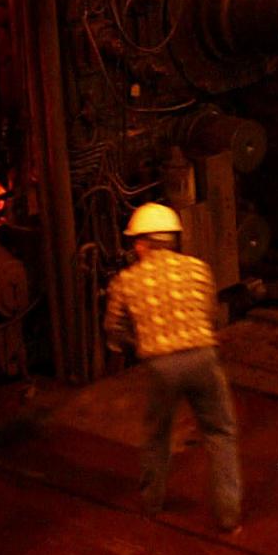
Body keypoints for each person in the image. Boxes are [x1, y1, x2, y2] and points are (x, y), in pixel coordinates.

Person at [103, 202, 243, 532]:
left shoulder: (127, 280)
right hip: (202, 356)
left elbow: (114, 328)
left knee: (157, 435)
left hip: (161, 364)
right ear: (174, 240)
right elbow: (209, 313)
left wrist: (134, 346)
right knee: (220, 432)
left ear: (141, 243)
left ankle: (152, 504)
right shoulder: (198, 269)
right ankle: (228, 515)